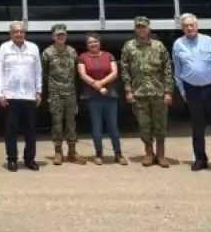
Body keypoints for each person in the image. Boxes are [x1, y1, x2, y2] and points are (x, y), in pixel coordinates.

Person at [172, 13, 211, 175]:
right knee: (197, 127)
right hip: (192, 90)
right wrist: (183, 92)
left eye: (191, 25)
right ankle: (200, 159)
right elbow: (177, 71)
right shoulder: (178, 44)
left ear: (197, 26)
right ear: (182, 28)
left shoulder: (209, 41)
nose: (189, 28)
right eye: (186, 26)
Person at [120, 16, 173, 168]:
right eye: (139, 27)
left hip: (158, 92)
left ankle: (161, 154)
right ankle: (149, 153)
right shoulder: (129, 47)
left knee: (160, 125)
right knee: (144, 125)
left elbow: (167, 70)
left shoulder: (158, 46)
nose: (141, 29)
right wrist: (128, 91)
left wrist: (168, 92)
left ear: (149, 28)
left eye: (144, 27)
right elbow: (125, 70)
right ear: (135, 29)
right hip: (139, 93)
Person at [0, 21, 42, 171]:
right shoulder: (4, 48)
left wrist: (38, 91)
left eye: (21, 32)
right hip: (10, 95)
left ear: (25, 33)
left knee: (30, 131)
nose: (19, 34)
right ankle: (12, 159)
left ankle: (29, 159)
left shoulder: (33, 48)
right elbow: (0, 72)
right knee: (10, 130)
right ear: (11, 34)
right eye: (16, 32)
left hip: (29, 95)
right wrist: (1, 93)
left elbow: (38, 71)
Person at [78, 32, 126, 165]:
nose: (93, 44)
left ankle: (118, 154)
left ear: (99, 43)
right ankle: (99, 154)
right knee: (96, 127)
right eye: (90, 42)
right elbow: (82, 74)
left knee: (113, 126)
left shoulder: (109, 55)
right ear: (87, 45)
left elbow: (114, 72)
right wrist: (98, 86)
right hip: (93, 97)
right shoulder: (82, 57)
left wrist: (101, 83)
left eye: (95, 41)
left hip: (110, 95)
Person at [42, 23, 85, 165]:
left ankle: (72, 152)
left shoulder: (72, 51)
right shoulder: (47, 53)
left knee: (71, 123)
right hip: (55, 94)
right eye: (58, 35)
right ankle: (58, 152)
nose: (61, 37)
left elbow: (77, 72)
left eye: (63, 34)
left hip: (70, 93)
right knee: (57, 123)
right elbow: (44, 73)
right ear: (53, 36)